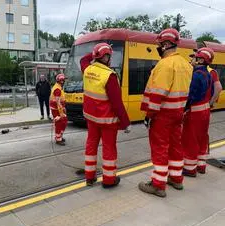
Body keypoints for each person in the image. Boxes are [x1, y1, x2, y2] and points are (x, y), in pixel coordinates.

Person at [138, 28, 193, 197]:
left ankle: (158, 185)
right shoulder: (186, 64)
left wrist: (149, 115)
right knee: (176, 145)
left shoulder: (165, 64)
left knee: (160, 147)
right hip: (178, 112)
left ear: (167, 44)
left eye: (160, 44)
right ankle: (176, 178)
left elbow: (158, 94)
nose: (159, 47)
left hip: (162, 114)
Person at [80, 43, 131, 189]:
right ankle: (109, 180)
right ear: (107, 57)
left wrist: (96, 52)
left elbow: (83, 59)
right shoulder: (110, 76)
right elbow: (117, 103)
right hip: (107, 121)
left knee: (91, 145)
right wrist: (126, 122)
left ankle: (89, 177)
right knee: (109, 148)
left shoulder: (87, 70)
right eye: (109, 55)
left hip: (91, 119)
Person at [183, 48, 215, 177]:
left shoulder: (197, 75)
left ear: (201, 60)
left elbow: (192, 95)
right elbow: (212, 92)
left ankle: (190, 169)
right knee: (202, 138)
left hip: (195, 112)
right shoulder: (209, 74)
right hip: (205, 111)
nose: (191, 60)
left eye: (194, 58)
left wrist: (184, 108)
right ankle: (201, 165)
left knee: (190, 139)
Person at [49, 73, 68, 146]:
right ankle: (58, 139)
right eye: (63, 80)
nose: (64, 81)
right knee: (59, 123)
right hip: (57, 110)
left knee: (64, 121)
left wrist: (64, 108)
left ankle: (60, 136)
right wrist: (62, 112)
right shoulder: (57, 89)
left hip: (58, 109)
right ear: (61, 81)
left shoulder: (58, 87)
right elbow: (58, 102)